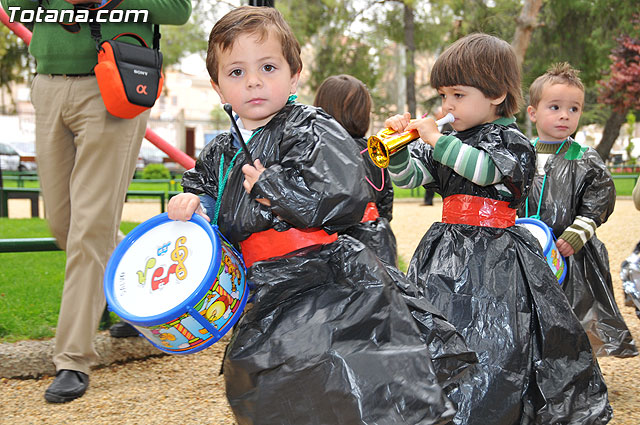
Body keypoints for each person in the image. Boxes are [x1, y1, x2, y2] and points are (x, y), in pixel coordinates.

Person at [168, 6, 476, 424]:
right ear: (219, 87)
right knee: (262, 380)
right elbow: (203, 188)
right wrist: (191, 205)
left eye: (268, 67)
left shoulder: (310, 127)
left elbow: (342, 193)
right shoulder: (221, 149)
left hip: (322, 277)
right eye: (236, 72)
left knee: (349, 376)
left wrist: (272, 189)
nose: (254, 80)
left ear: (294, 75)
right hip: (260, 285)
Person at [383, 34, 611, 424]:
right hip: (446, 249)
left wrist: (436, 138)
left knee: (496, 337)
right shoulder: (450, 139)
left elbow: (487, 171)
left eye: (457, 94)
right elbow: (410, 177)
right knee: (437, 327)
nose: (447, 106)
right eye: (442, 96)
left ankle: (487, 407)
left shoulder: (513, 141)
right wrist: (400, 149)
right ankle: (441, 406)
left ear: (496, 93)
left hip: (496, 256)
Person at [1, 0, 192, 403]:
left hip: (113, 82)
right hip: (48, 83)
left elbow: (177, 9)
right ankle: (132, 299)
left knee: (89, 229)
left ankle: (72, 358)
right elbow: (13, 6)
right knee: (62, 223)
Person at [520, 62, 637, 358]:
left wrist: (578, 232)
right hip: (528, 248)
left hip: (571, 250)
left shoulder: (584, 159)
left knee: (575, 311)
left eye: (574, 109)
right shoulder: (521, 154)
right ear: (533, 112)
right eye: (555, 107)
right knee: (528, 309)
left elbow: (601, 197)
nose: (565, 115)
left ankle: (577, 364)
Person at [313, 74, 398, 266]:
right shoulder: (374, 150)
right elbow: (386, 204)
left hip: (333, 253)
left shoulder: (320, 151)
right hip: (376, 247)